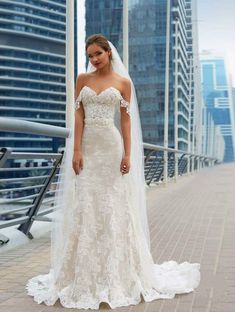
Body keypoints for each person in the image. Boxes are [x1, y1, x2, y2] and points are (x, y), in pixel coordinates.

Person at [26, 34, 200, 310]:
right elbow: (79, 115)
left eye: (98, 54)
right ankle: (83, 275)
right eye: (90, 55)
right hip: (89, 150)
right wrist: (76, 150)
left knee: (114, 207)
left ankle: (118, 273)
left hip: (111, 148)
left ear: (109, 53)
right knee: (86, 205)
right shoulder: (82, 79)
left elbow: (126, 121)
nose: (94, 59)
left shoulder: (123, 83)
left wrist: (128, 153)